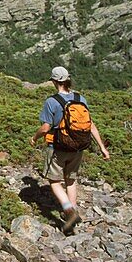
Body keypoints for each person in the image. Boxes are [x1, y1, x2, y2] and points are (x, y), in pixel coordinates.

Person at [29, 66, 110, 234]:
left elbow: (45, 128)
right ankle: (72, 211)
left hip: (58, 147)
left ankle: (69, 211)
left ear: (54, 81)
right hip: (78, 147)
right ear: (67, 80)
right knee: (71, 179)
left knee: (54, 181)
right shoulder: (81, 99)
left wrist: (34, 138)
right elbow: (91, 125)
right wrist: (102, 147)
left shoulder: (52, 101)